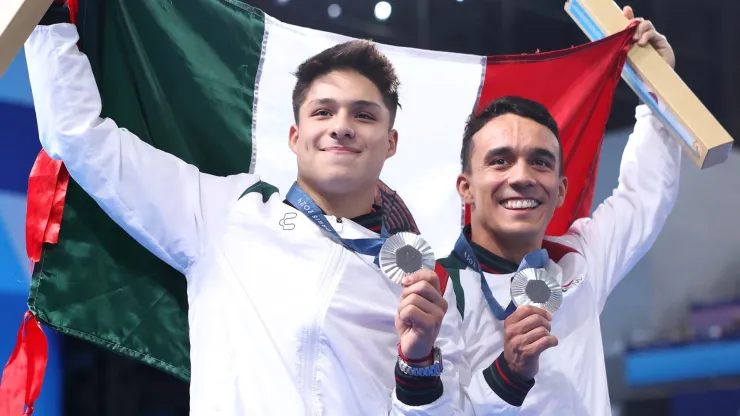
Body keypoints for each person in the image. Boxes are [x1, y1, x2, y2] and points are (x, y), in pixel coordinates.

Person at [24, 5, 487, 414]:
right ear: (294, 137)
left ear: (391, 143)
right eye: (323, 112)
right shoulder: (226, 214)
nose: (341, 127)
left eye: (363, 115)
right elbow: (81, 138)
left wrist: (419, 363)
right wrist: (45, 24)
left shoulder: (421, 283)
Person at [439, 6, 681, 415]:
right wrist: (508, 373)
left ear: (560, 189)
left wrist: (657, 85)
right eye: (500, 161)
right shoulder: (438, 290)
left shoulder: (577, 260)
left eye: (541, 162)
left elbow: (646, 193)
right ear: (466, 188)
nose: (522, 176)